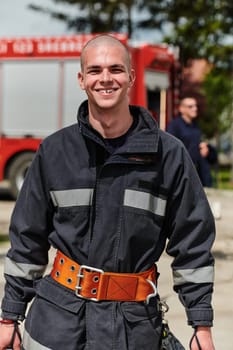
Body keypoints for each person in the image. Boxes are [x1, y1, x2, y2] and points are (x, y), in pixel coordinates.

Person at [0, 35, 215, 350]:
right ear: (81, 79)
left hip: (135, 328)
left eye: (115, 69)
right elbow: (27, 240)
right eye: (95, 70)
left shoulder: (168, 156)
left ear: (131, 77)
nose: (105, 79)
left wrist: (201, 325)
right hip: (55, 327)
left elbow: (193, 243)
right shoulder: (55, 152)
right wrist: (9, 318)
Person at [166, 96, 216, 187]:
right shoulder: (174, 126)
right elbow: (170, 149)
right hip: (182, 174)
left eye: (195, 106)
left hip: (198, 173)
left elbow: (195, 145)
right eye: (190, 106)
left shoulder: (195, 126)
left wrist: (204, 147)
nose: (195, 109)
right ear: (181, 109)